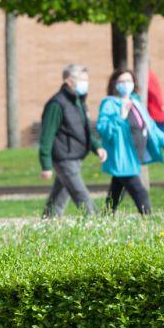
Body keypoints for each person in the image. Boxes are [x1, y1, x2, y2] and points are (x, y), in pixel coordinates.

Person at [97, 69, 164, 215]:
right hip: (122, 157)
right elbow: (104, 130)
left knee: (116, 192)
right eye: (121, 81)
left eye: (128, 81)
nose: (125, 85)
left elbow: (151, 127)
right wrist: (120, 116)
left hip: (134, 157)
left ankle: (105, 217)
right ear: (114, 84)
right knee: (140, 192)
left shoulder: (136, 103)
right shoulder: (109, 104)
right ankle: (148, 222)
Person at [38, 63, 107, 217]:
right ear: (69, 81)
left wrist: (97, 147)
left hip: (75, 156)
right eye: (82, 80)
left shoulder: (78, 101)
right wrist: (46, 164)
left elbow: (85, 129)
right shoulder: (56, 104)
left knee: (59, 196)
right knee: (80, 193)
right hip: (64, 158)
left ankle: (49, 221)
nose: (86, 84)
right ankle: (96, 221)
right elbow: (47, 136)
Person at [147, 67, 164, 135]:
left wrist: (161, 106)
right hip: (157, 114)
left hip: (155, 114)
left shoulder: (148, 76)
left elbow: (155, 94)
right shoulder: (151, 75)